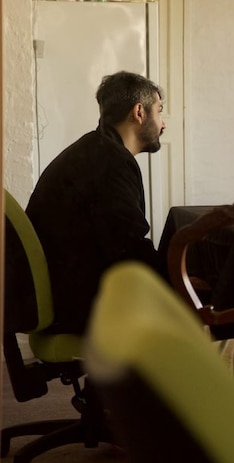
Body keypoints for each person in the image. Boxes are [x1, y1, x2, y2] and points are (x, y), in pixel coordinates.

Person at [27, 71, 167, 335]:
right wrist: (180, 280)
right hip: (76, 308)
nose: (163, 124)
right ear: (139, 112)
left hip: (67, 295)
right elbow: (129, 249)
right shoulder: (108, 162)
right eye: (159, 112)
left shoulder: (96, 150)